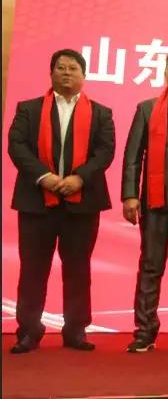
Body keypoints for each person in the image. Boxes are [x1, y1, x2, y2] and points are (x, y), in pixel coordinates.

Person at [8, 49, 116, 354]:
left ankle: (76, 329)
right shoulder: (28, 109)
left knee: (78, 268)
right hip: (36, 202)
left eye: (73, 68)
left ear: (84, 75)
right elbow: (17, 146)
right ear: (51, 73)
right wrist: (44, 177)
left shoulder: (101, 113)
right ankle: (29, 330)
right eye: (61, 68)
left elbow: (105, 151)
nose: (66, 73)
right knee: (33, 268)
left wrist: (80, 177)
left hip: (82, 203)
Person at [121, 48, 168, 352]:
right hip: (155, 201)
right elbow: (132, 157)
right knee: (151, 267)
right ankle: (145, 330)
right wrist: (130, 195)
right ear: (165, 73)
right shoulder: (147, 108)